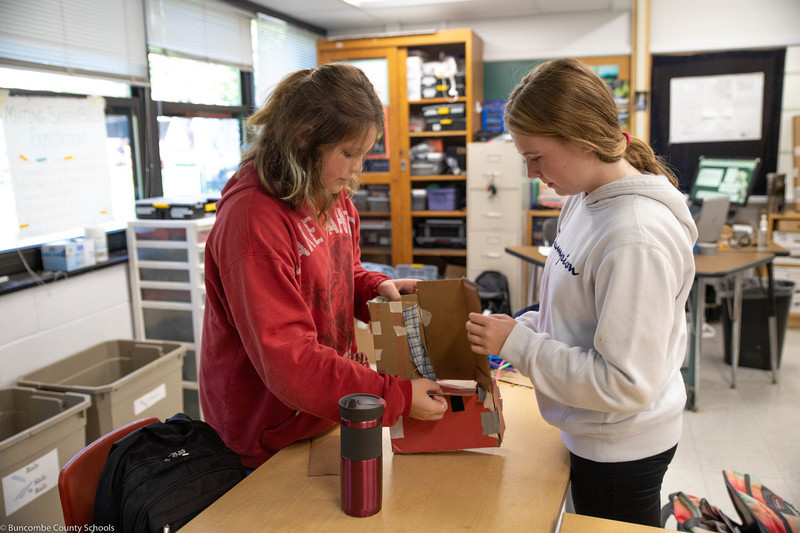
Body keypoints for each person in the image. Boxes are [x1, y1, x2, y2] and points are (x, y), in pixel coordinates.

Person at [465, 58, 698, 527]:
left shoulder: (635, 237)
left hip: (621, 448)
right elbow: (574, 311)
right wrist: (518, 328)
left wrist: (519, 344)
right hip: (590, 428)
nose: (531, 173)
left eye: (536, 157)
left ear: (581, 140)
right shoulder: (583, 199)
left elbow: (624, 382)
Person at [199, 63, 447, 470]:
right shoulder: (252, 222)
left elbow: (340, 272)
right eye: (349, 154)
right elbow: (290, 362)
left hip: (324, 412)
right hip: (267, 436)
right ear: (303, 139)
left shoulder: (330, 192)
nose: (357, 169)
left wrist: (373, 288)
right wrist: (396, 397)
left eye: (364, 155)